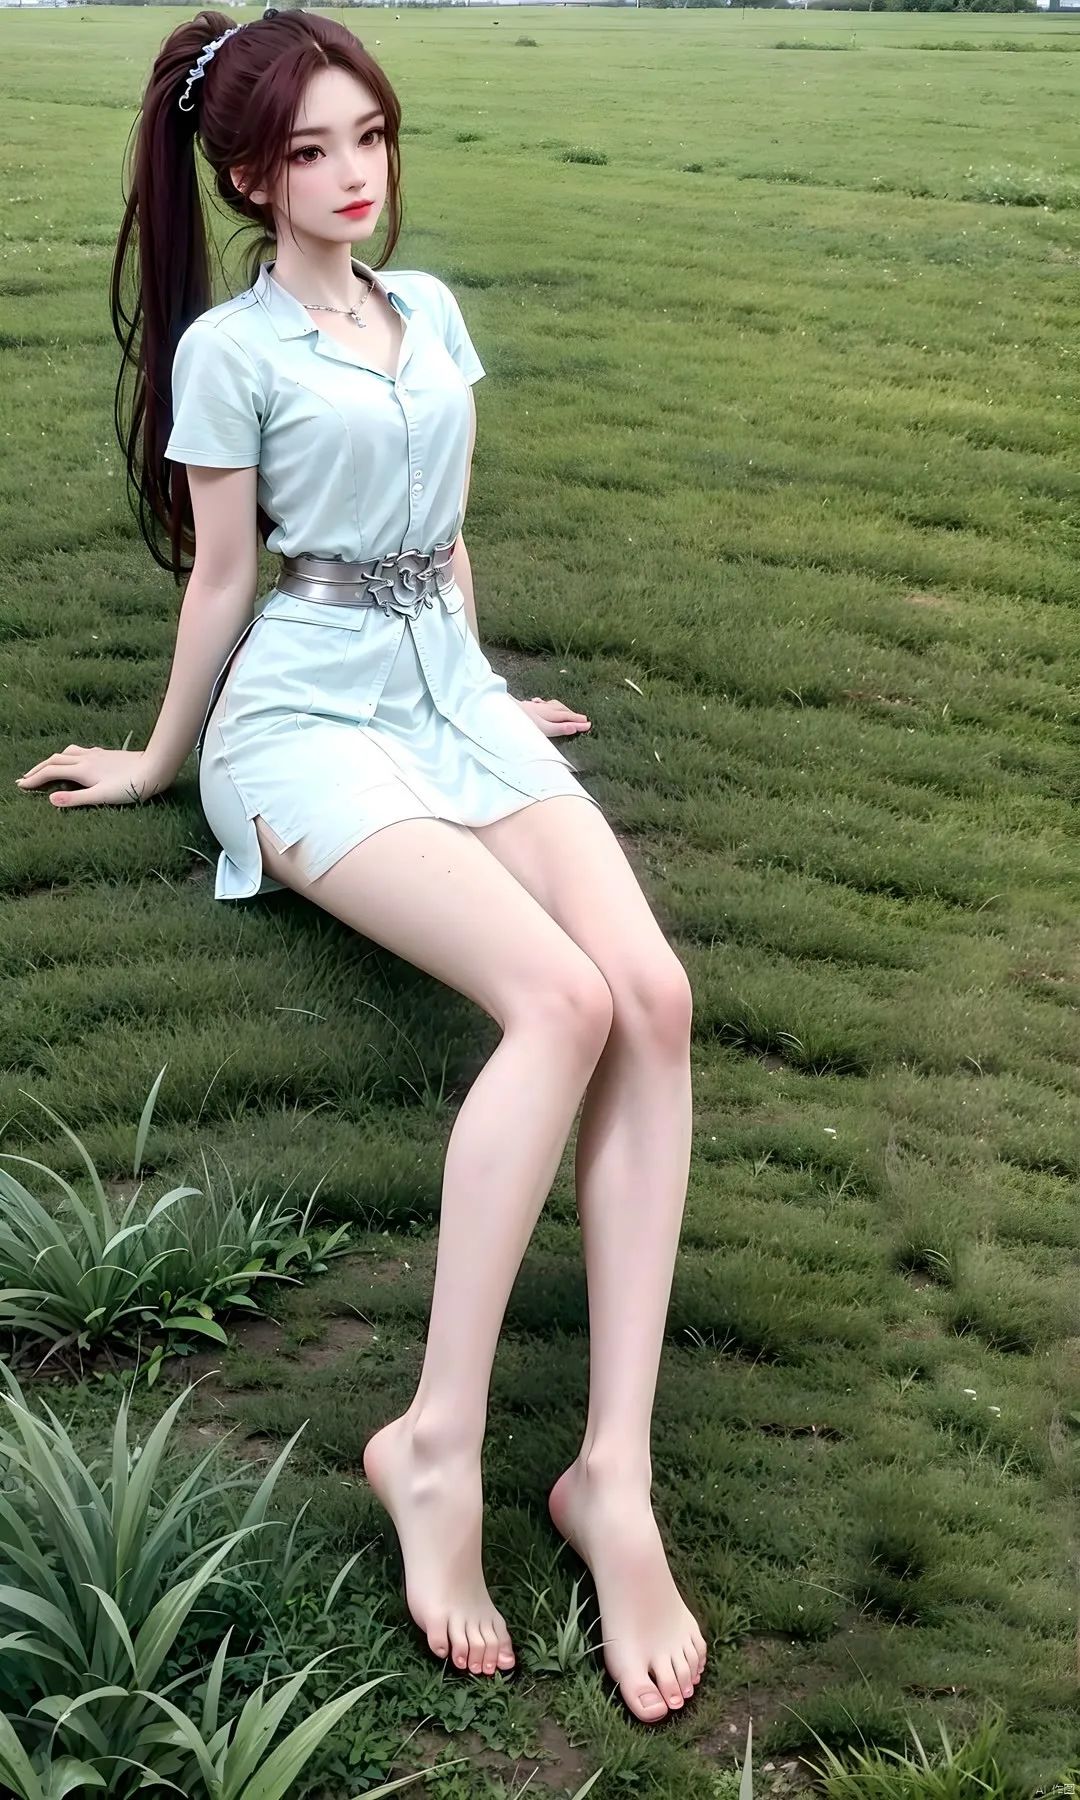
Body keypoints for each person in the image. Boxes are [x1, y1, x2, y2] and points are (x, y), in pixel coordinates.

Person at [15, 7, 707, 1724]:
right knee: (557, 1002)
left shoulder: (433, 313)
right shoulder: (228, 351)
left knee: (653, 996)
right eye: (309, 151)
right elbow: (223, 579)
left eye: (369, 138)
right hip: (304, 724)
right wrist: (163, 762)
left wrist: (486, 686)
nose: (351, 175)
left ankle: (611, 1476)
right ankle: (435, 1446)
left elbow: (444, 537)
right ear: (249, 178)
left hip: (447, 703)